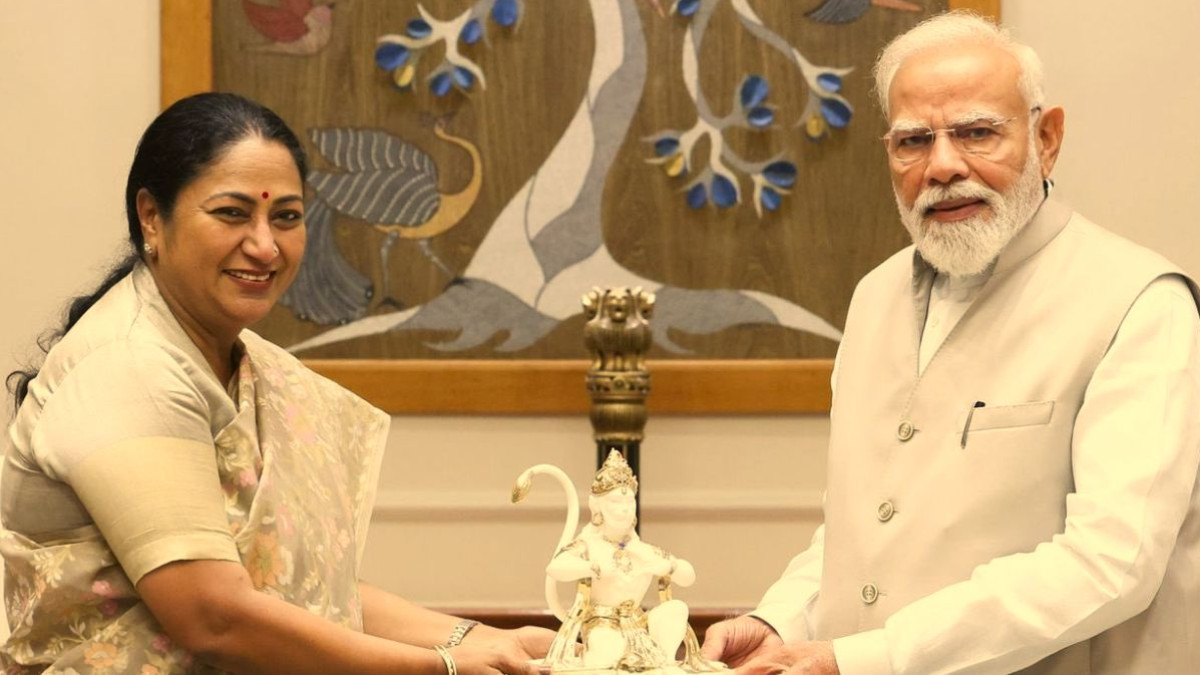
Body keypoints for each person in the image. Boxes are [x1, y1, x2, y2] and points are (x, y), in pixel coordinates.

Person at [701, 11, 1200, 675]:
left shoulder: (1141, 303)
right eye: (913, 141)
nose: (941, 166)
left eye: (976, 132)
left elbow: (1112, 560)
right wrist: (780, 620)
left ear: (1046, 138)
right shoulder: (873, 297)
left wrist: (873, 657)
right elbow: (860, 532)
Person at [1, 92, 552, 674]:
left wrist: (482, 639)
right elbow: (213, 617)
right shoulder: (127, 366)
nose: (265, 246)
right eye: (232, 213)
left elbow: (308, 592)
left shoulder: (247, 367)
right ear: (151, 217)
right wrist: (442, 666)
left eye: (286, 217)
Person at [535, 451, 698, 672]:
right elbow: (555, 567)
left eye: (629, 501)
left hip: (639, 625)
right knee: (608, 655)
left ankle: (666, 665)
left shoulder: (643, 550)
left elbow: (688, 576)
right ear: (596, 506)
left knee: (676, 608)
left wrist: (671, 566)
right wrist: (591, 567)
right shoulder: (589, 545)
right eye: (615, 501)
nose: (624, 509)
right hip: (602, 624)